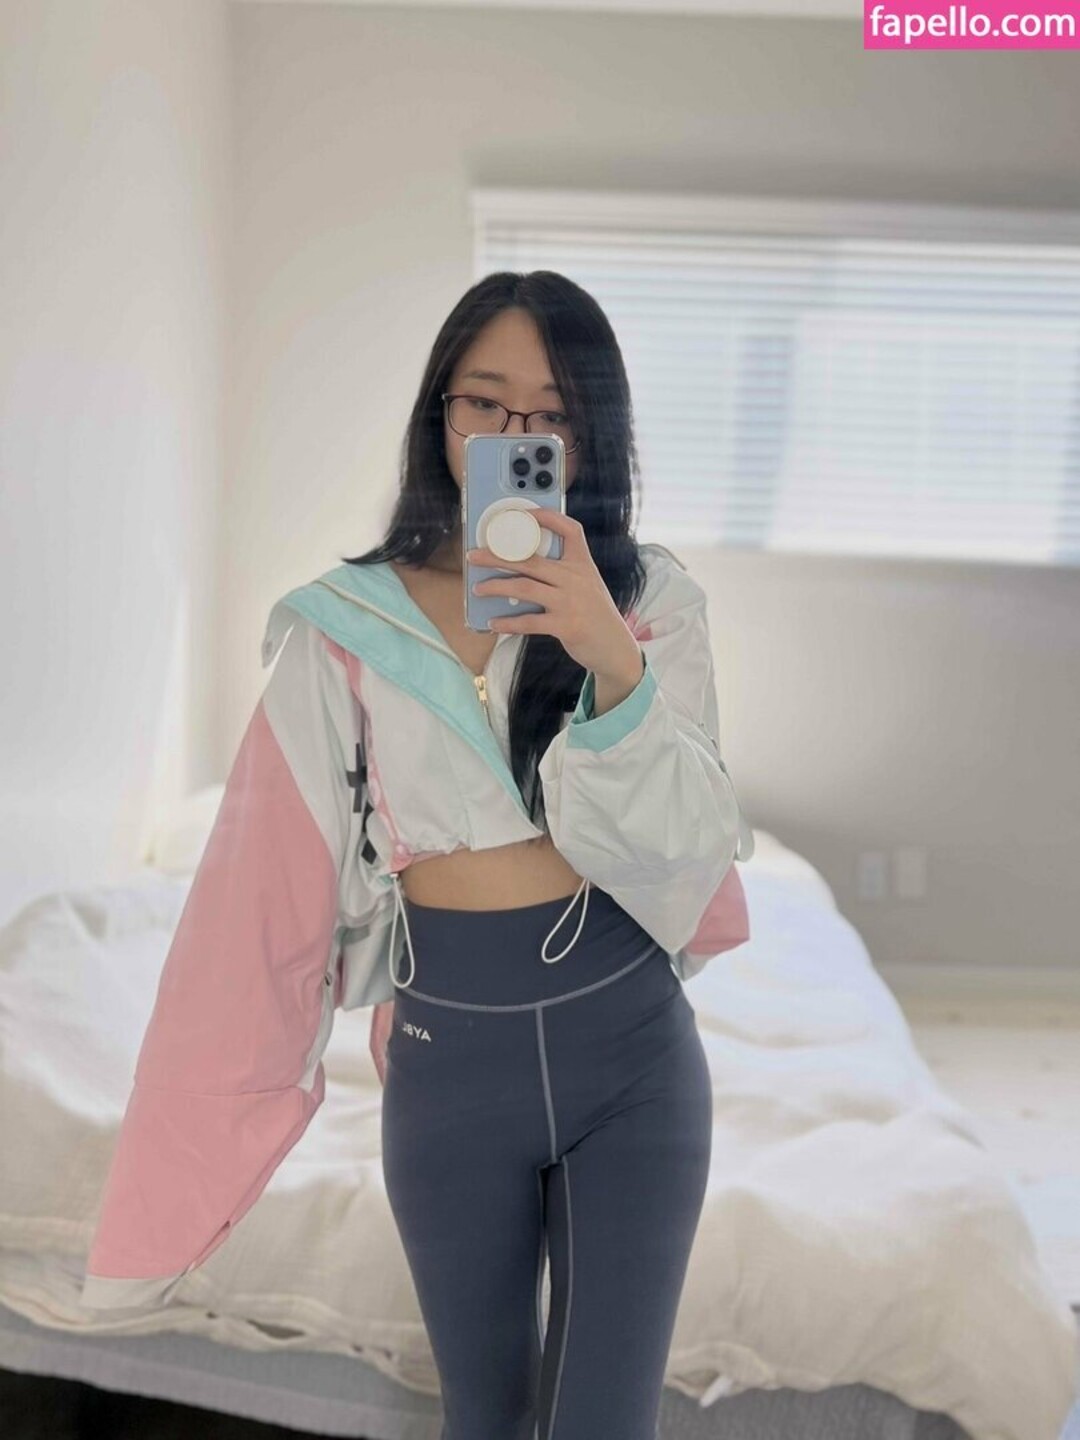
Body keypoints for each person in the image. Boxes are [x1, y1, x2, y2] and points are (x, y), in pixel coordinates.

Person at [344, 271, 741, 1440]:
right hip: (446, 1062)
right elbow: (316, 857)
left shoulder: (653, 600)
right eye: (485, 403)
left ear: (593, 433)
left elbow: (690, 848)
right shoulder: (358, 618)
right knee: (482, 1416)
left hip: (632, 1054)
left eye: (552, 414)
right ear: (440, 414)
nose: (515, 435)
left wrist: (610, 654)